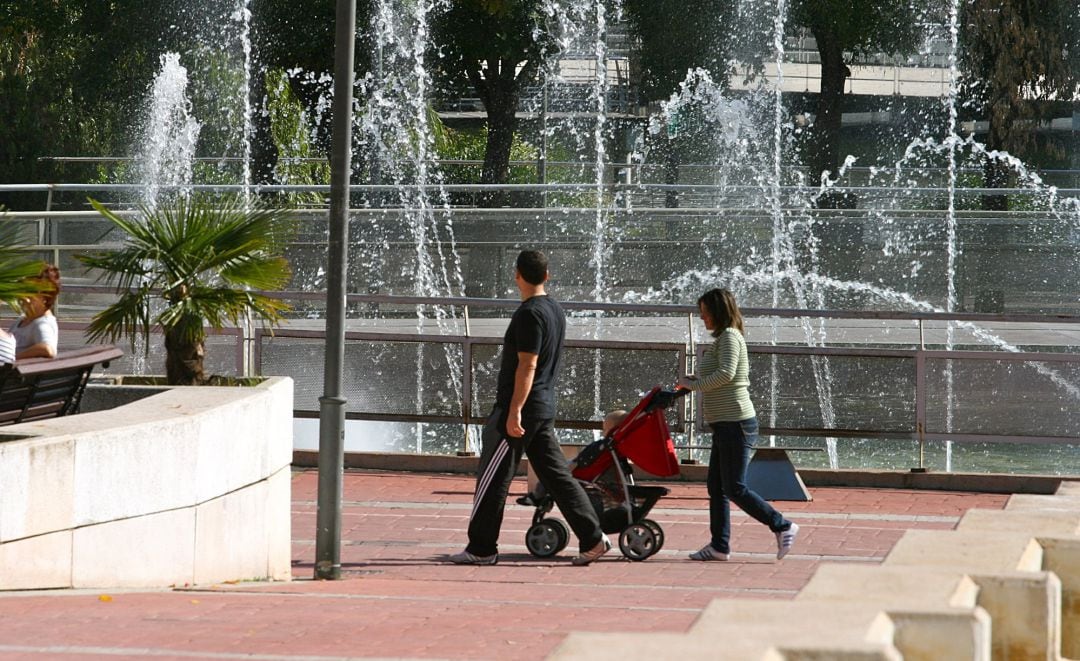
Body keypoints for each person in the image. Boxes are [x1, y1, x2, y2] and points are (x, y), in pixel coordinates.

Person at [449, 250, 611, 566]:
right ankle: (593, 538)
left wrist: (514, 411)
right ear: (547, 275)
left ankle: (481, 549)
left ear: (517, 275)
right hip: (543, 406)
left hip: (522, 408)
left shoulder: (529, 313)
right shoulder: (555, 310)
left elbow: (528, 364)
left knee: (493, 478)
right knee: (558, 477)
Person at [678, 288, 799, 562]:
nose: (702, 318)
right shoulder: (723, 340)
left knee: (734, 487)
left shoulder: (731, 337)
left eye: (705, 312)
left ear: (719, 311)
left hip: (736, 423)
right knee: (717, 487)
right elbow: (718, 375)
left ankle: (782, 525)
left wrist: (694, 386)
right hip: (724, 425)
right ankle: (719, 546)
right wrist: (691, 382)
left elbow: (726, 374)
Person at [518, 408, 629, 506]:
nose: (602, 432)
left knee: (551, 472)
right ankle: (543, 497)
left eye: (605, 429)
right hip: (593, 472)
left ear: (613, 430)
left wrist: (569, 468)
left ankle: (536, 496)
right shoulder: (616, 447)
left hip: (579, 470)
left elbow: (582, 460)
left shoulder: (602, 446)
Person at [11, 264, 60, 360]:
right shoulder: (24, 320)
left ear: (46, 295)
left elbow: (48, 349)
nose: (24, 295)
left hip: (15, 373)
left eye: (31, 291)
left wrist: (13, 358)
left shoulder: (42, 324)